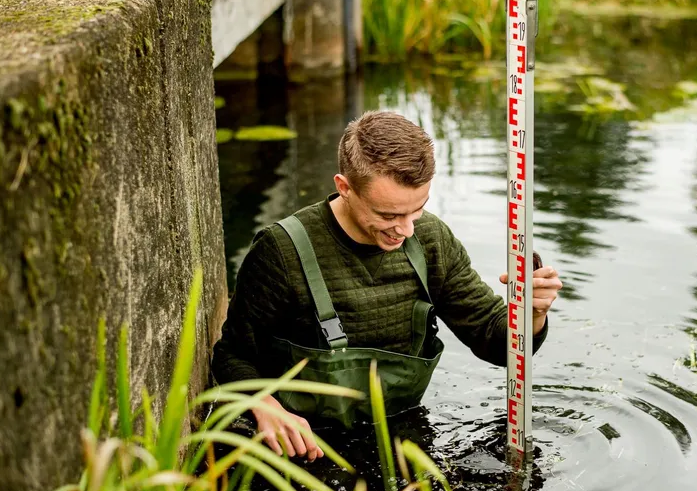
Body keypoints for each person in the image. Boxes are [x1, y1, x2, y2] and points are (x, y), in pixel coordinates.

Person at [211, 111, 563, 463]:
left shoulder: (430, 240)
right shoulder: (281, 251)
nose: (406, 229)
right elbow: (231, 356)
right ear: (344, 188)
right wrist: (264, 406)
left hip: (403, 431)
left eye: (417, 210)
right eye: (388, 215)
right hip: (307, 446)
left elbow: (497, 343)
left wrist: (530, 314)